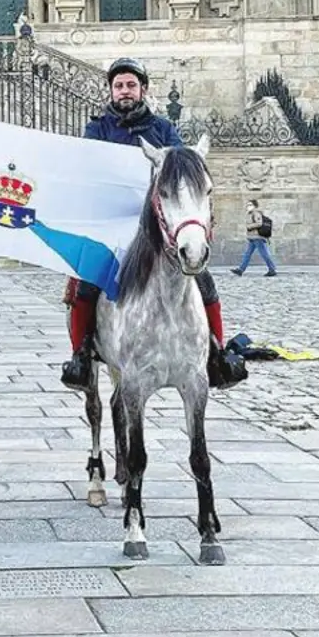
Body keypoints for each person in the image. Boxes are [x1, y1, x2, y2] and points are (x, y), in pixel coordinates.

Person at [62, 57, 244, 391]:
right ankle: (81, 356)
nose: (125, 91)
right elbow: (87, 171)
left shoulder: (162, 129)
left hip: (158, 228)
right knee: (84, 284)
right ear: (111, 91)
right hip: (111, 224)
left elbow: (182, 172)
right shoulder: (97, 129)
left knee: (203, 281)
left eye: (131, 85)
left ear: (143, 90)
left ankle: (217, 353)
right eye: (119, 86)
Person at [231, 199, 277, 277]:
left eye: (250, 205)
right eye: (248, 205)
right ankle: (241, 270)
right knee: (247, 254)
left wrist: (249, 226)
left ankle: (272, 269)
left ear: (255, 206)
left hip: (258, 237)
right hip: (252, 238)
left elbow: (259, 223)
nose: (248, 206)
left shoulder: (256, 213)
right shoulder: (250, 214)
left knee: (264, 254)